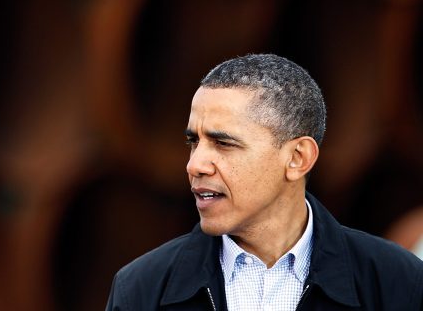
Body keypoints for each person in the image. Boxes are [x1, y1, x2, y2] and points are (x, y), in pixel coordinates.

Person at [105, 53, 423, 310]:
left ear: (298, 157)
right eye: (194, 141)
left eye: (223, 143)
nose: (195, 164)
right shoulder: (141, 290)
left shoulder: (397, 282)